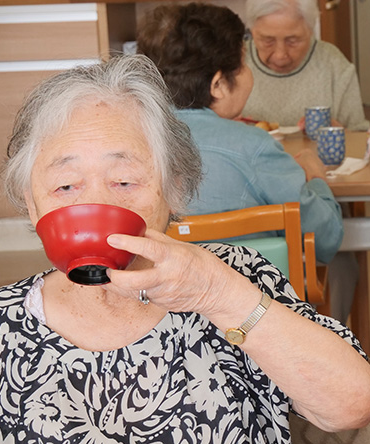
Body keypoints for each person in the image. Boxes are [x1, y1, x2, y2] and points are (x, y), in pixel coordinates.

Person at [0, 55, 370, 444]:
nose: (96, 203)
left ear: (176, 188)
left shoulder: (235, 279)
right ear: (30, 202)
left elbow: (352, 405)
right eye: (65, 184)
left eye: (124, 180)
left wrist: (214, 292)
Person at [136, 3, 343, 265]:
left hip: (155, 301)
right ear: (218, 84)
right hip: (254, 301)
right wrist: (316, 178)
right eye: (244, 62)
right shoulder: (254, 147)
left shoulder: (130, 140)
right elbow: (325, 239)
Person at [241, 0, 369, 131]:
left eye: (293, 41)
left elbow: (359, 135)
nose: (280, 56)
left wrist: (340, 134)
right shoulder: (234, 62)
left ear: (310, 30)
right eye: (268, 41)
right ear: (252, 31)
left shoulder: (333, 64)